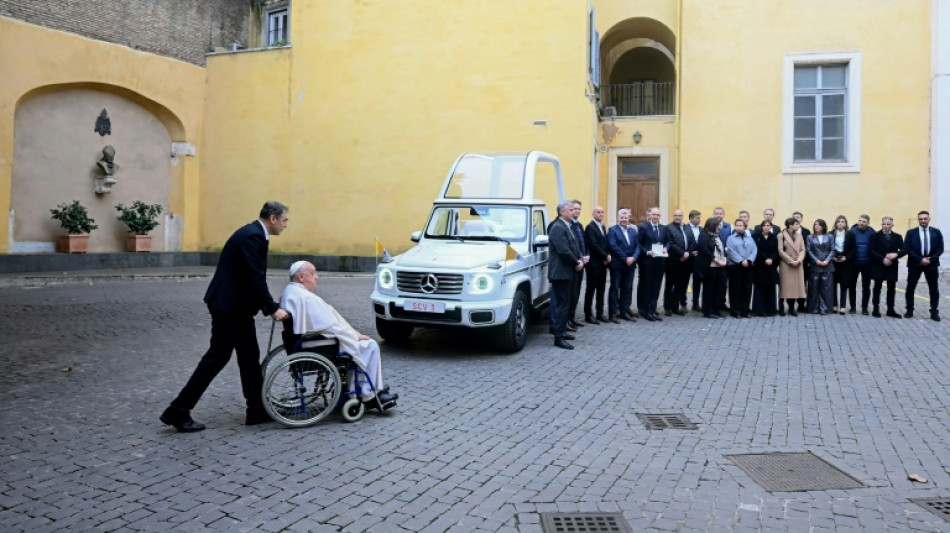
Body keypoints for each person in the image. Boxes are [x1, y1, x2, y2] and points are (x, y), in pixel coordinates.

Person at [161, 201, 290, 432]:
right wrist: (272, 308)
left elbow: (251, 277)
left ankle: (257, 411)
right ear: (273, 218)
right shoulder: (253, 236)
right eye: (284, 220)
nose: (285, 225)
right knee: (216, 359)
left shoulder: (253, 233)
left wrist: (268, 305)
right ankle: (178, 411)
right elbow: (255, 277)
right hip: (230, 308)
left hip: (237, 308)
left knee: (250, 357)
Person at [281, 261, 397, 408]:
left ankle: (367, 389)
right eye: (313, 273)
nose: (316, 277)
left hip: (305, 343)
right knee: (370, 345)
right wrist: (354, 335)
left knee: (360, 346)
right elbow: (331, 326)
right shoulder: (306, 298)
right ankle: (369, 395)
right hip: (318, 345)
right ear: (302, 277)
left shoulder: (289, 291)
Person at [548, 201, 584, 349]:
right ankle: (558, 337)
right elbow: (563, 250)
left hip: (568, 272)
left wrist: (579, 259)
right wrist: (576, 262)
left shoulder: (567, 226)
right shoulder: (557, 227)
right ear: (562, 212)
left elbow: (574, 246)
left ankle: (562, 331)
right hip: (561, 273)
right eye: (570, 210)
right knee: (562, 305)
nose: (573, 212)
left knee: (566, 303)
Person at [904, 210, 943, 321]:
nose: (923, 221)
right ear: (918, 220)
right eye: (921, 219)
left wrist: (931, 258)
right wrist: (920, 259)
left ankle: (934, 311)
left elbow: (940, 248)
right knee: (910, 287)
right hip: (915, 263)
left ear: (929, 219)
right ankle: (909, 310)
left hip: (931, 264)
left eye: (925, 219)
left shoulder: (936, 232)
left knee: (933, 288)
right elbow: (908, 248)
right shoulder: (911, 233)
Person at [868, 216, 905, 318]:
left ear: (892, 225)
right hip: (878, 265)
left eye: (888, 224)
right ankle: (876, 309)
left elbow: (904, 250)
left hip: (892, 266)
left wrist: (896, 255)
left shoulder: (898, 237)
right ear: (881, 224)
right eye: (884, 224)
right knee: (877, 287)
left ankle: (890, 310)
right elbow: (870, 250)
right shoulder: (874, 236)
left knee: (891, 288)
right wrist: (882, 259)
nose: (886, 226)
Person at [637, 206, 669, 321]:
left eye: (657, 215)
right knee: (647, 286)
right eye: (654, 215)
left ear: (659, 216)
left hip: (660, 262)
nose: (655, 217)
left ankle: (653, 309)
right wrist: (647, 252)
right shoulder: (644, 228)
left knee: (656, 286)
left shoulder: (664, 228)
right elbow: (639, 244)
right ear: (650, 216)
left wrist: (666, 248)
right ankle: (646, 311)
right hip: (648, 262)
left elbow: (668, 242)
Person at [607, 208, 639, 323]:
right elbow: (613, 246)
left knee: (626, 289)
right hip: (617, 265)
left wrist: (633, 257)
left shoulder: (633, 231)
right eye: (622, 217)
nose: (624, 219)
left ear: (628, 218)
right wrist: (625, 258)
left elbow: (638, 246)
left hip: (630, 265)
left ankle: (624, 312)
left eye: (626, 217)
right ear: (618, 218)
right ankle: (612, 314)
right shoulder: (612, 230)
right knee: (615, 289)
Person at [664, 209, 695, 316]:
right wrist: (682, 253)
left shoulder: (687, 227)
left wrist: (687, 254)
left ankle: (675, 306)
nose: (677, 217)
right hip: (673, 261)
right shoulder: (668, 228)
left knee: (681, 285)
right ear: (673, 216)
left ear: (683, 216)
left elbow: (692, 242)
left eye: (680, 215)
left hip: (685, 262)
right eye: (675, 215)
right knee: (670, 285)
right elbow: (670, 243)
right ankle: (667, 307)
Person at [584, 205, 611, 324]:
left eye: (602, 212)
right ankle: (588, 315)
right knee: (591, 290)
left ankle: (600, 313)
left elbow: (604, 244)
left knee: (601, 289)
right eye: (598, 212)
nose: (601, 214)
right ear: (593, 214)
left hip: (603, 264)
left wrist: (607, 256)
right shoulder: (590, 227)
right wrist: (605, 256)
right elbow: (593, 245)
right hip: (594, 264)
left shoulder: (602, 226)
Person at [696, 217, 727, 318]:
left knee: (719, 289)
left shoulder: (717, 235)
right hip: (710, 266)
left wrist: (724, 259)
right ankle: (708, 311)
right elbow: (705, 250)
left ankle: (716, 309)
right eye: (718, 225)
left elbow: (722, 248)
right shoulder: (703, 235)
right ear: (712, 225)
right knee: (709, 289)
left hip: (720, 265)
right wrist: (716, 260)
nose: (719, 227)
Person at [725, 219, 757, 318]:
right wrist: (740, 260)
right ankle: (735, 310)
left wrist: (749, 260)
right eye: (737, 225)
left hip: (748, 266)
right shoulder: (731, 238)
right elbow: (730, 251)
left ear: (745, 227)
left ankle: (745, 310)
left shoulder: (749, 238)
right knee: (735, 288)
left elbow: (754, 249)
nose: (738, 227)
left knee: (746, 288)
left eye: (741, 225)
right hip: (735, 266)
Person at [777, 217, 806, 317]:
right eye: (796, 224)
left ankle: (791, 307)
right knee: (784, 286)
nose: (798, 226)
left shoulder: (799, 236)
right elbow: (780, 250)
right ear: (790, 225)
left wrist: (798, 260)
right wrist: (790, 261)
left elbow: (803, 250)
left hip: (797, 264)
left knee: (794, 287)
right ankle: (781, 306)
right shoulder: (781, 235)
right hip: (786, 264)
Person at [806, 219, 835, 314]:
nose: (816, 226)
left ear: (823, 226)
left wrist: (827, 260)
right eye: (815, 225)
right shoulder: (810, 237)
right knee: (814, 287)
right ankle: (813, 308)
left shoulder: (830, 236)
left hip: (827, 265)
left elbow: (832, 249)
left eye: (818, 225)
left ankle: (825, 308)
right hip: (815, 265)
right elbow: (809, 250)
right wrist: (816, 260)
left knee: (826, 288)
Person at [752, 220, 779, 316]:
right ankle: (760, 310)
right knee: (760, 288)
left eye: (768, 225)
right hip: (760, 265)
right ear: (761, 227)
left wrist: (771, 259)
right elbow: (755, 250)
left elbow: (776, 250)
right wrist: (765, 258)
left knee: (770, 287)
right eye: (764, 225)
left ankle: (771, 309)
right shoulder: (756, 237)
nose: (766, 227)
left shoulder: (774, 237)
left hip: (771, 265)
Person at [830, 215, 856, 315]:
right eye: (838, 221)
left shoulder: (850, 234)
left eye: (842, 222)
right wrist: (833, 257)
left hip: (846, 262)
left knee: (844, 284)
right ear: (836, 223)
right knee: (834, 284)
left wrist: (846, 257)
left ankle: (843, 306)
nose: (840, 223)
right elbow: (829, 247)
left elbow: (854, 249)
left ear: (845, 224)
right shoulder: (831, 234)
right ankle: (834, 305)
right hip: (834, 261)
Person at [850, 214, 875, 314]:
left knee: (866, 287)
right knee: (852, 286)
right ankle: (853, 307)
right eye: (860, 221)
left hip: (867, 263)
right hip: (854, 263)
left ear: (868, 223)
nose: (861, 223)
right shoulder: (852, 232)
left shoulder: (872, 233)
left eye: (864, 221)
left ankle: (864, 308)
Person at [792, 211, 810, 313]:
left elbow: (808, 247)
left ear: (801, 219)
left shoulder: (806, 232)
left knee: (802, 284)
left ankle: (801, 305)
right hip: (790, 262)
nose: (796, 219)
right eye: (794, 217)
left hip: (803, 263)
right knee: (792, 284)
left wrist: (802, 258)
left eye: (798, 217)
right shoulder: (786, 231)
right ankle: (791, 305)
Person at [687, 210, 703, 311]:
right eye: (697, 218)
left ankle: (695, 302)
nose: (699, 220)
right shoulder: (685, 228)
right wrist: (691, 252)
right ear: (691, 218)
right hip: (688, 258)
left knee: (697, 281)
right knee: (684, 281)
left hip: (699, 259)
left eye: (699, 218)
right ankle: (683, 302)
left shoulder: (702, 229)